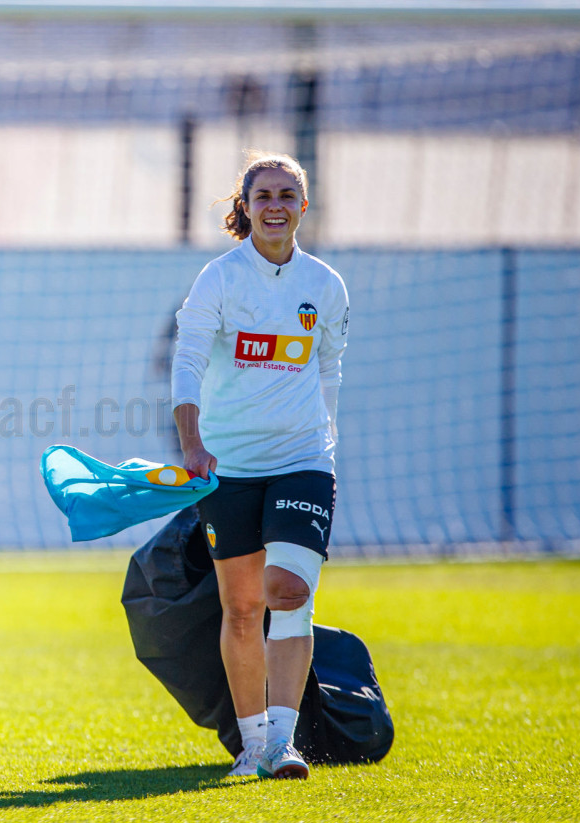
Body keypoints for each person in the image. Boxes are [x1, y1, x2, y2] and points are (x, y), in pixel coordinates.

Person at [170, 151, 349, 780]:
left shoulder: (325, 285)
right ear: (245, 208)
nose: (276, 206)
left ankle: (282, 743)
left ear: (304, 205)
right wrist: (192, 445)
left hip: (304, 460)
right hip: (231, 465)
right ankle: (252, 746)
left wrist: (327, 441)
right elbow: (188, 362)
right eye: (263, 196)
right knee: (243, 607)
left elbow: (329, 367)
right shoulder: (220, 278)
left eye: (286, 195)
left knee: (289, 592)